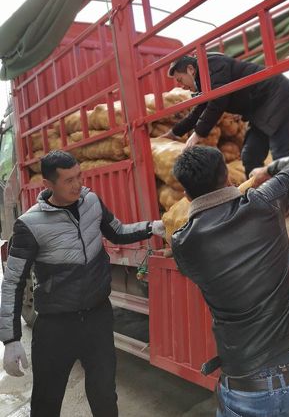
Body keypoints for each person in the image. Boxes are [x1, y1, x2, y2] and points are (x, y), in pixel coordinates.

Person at [0, 150, 165, 417]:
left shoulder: (91, 202)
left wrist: (152, 227)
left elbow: (117, 231)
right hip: (56, 326)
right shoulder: (29, 225)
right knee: (46, 401)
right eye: (69, 180)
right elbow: (12, 282)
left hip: (97, 318)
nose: (78, 185)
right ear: (48, 184)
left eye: (79, 176)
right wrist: (10, 339)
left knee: (105, 395)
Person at [171, 146, 289, 417]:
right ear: (227, 177)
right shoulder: (263, 202)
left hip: (244, 384)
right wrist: (266, 170)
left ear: (186, 194)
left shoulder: (183, 243)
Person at [165, 52, 289, 232]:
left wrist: (197, 134)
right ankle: (262, 212)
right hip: (262, 110)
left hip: (277, 98)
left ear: (190, 69)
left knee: (283, 155)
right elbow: (200, 108)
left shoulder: (211, 64)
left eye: (180, 79)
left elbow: (218, 101)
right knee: (250, 156)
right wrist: (174, 133)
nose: (181, 85)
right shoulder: (205, 80)